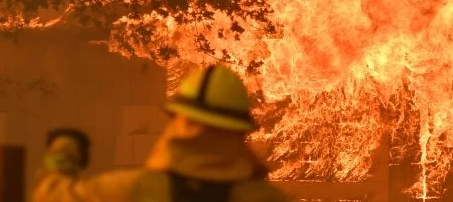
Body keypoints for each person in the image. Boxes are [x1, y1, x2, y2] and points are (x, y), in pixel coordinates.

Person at [33, 64, 285, 202]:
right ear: (238, 133)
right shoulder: (264, 199)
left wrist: (64, 147)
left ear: (178, 123)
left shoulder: (132, 190)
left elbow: (49, 196)